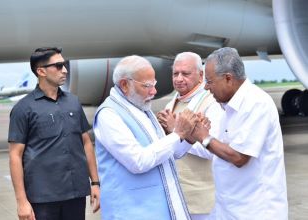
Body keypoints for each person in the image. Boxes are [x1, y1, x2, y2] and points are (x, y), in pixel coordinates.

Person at [93, 55, 207, 220]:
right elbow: (138, 161)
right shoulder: (109, 115)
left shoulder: (141, 108)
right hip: (131, 211)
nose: (154, 91)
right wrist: (177, 134)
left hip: (156, 209)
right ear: (125, 85)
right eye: (147, 86)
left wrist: (190, 137)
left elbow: (168, 153)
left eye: (154, 84)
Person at [190, 47, 288, 219]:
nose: (206, 87)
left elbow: (239, 157)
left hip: (256, 210)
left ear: (228, 78)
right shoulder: (225, 106)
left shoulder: (256, 103)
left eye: (210, 81)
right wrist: (192, 133)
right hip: (230, 207)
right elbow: (216, 149)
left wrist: (204, 136)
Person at [8, 47, 100, 220]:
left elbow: (86, 142)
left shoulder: (73, 102)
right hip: (43, 198)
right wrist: (21, 201)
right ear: (41, 71)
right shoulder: (23, 109)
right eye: (58, 66)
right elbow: (15, 155)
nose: (64, 70)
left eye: (64, 65)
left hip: (75, 194)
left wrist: (95, 182)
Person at [157, 52, 223, 220]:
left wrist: (175, 133)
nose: (179, 79)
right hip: (176, 195)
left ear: (201, 76)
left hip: (201, 200)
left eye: (185, 73)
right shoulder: (171, 103)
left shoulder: (211, 103)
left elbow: (213, 150)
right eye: (175, 73)